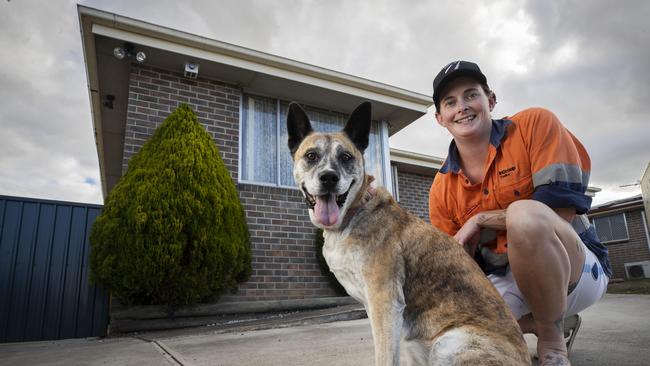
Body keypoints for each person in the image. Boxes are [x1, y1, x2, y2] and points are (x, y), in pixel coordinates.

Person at [427, 60, 611, 366]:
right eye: (450, 102)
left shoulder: (534, 124)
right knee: (452, 341)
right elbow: (456, 263)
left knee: (524, 215)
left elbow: (559, 211)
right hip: (504, 276)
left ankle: (552, 344)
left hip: (574, 272)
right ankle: (545, 321)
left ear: (491, 100)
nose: (462, 107)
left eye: (471, 95)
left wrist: (481, 218)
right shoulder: (440, 188)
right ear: (439, 118)